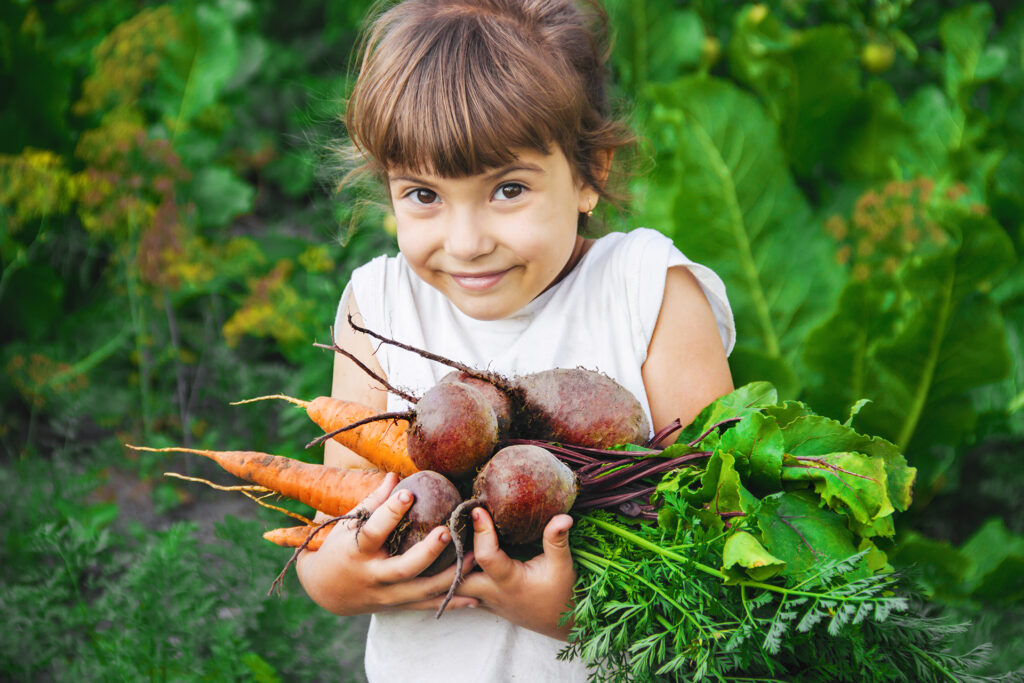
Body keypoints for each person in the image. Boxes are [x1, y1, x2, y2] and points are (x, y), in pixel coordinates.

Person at [295, 0, 735, 679]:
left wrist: (576, 609)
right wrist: (336, 580)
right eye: (422, 195)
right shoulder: (376, 305)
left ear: (592, 174)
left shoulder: (646, 291)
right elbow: (336, 525)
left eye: (506, 189)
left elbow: (723, 536)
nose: (467, 242)